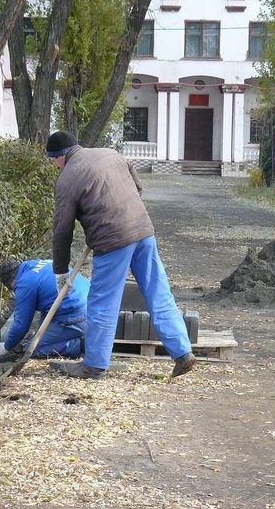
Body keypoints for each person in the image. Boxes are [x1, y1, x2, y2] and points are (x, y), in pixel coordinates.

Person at [45, 130, 196, 380]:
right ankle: (183, 353)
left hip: (112, 241)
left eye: (53, 161)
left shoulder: (66, 179)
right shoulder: (111, 154)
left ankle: (94, 365)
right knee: (159, 292)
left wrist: (60, 270)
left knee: (102, 303)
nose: (54, 166)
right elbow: (137, 187)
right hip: (143, 231)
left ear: (60, 156)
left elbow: (62, 229)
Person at [0, 258, 88, 359]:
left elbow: (21, 324)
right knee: (38, 337)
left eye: (11, 288)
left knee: (31, 349)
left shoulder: (24, 284)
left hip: (78, 315)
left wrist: (6, 347)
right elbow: (47, 308)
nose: (14, 291)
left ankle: (79, 345)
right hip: (93, 306)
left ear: (12, 280)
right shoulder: (37, 264)